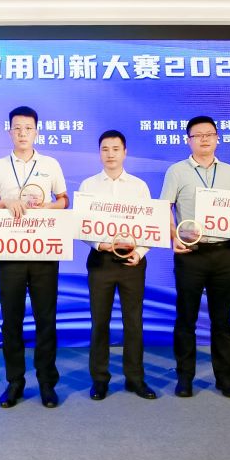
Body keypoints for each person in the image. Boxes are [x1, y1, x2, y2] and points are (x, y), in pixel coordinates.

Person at [160, 115, 230, 399]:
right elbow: (165, 207)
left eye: (209, 134)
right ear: (188, 140)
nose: (204, 139)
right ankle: (184, 377)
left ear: (217, 139)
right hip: (191, 253)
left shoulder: (229, 171)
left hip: (224, 253)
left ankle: (225, 379)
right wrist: (174, 235)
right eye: (197, 135)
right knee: (186, 318)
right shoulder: (177, 171)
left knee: (222, 320)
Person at [0, 106, 69, 408]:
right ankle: (14, 382)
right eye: (17, 128)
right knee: (11, 321)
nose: (22, 133)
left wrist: (48, 207)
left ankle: (46, 383)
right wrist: (6, 201)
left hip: (44, 250)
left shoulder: (50, 164)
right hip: (9, 252)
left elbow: (64, 200)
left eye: (28, 128)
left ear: (36, 132)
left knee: (46, 319)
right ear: (9, 132)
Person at [79, 130, 157, 401]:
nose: (110, 154)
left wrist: (141, 252)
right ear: (99, 153)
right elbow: (81, 226)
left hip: (132, 262)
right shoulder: (88, 185)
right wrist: (98, 244)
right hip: (101, 261)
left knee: (133, 322)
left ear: (125, 152)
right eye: (105, 149)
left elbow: (150, 225)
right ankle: (99, 379)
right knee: (99, 322)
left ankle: (135, 378)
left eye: (115, 149)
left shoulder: (138, 186)